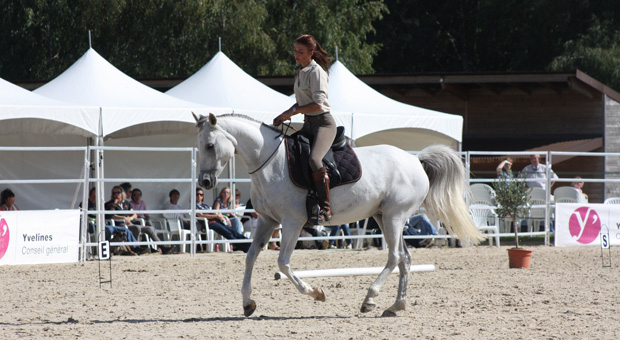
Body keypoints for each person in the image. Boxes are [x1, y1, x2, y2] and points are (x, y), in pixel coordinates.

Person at [273, 34, 335, 225]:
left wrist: (291, 113)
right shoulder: (301, 71)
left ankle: (326, 207)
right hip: (308, 124)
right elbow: (300, 104)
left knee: (314, 159)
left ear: (311, 52)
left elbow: (317, 105)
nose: (296, 54)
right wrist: (286, 113)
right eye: (295, 51)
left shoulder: (316, 72)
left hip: (324, 124)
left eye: (300, 51)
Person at [105, 185, 173, 254]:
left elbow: (135, 215)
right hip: (119, 224)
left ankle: (162, 247)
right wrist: (123, 217)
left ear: (122, 193)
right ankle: (136, 248)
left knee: (149, 228)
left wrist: (130, 218)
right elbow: (111, 215)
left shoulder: (126, 203)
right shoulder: (110, 204)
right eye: (114, 193)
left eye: (118, 192)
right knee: (136, 228)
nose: (116, 195)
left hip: (128, 223)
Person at [80, 187, 146, 255]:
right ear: (91, 194)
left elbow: (106, 215)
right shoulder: (85, 204)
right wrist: (95, 220)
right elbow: (85, 217)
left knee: (125, 230)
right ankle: (106, 250)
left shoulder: (100, 204)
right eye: (95, 193)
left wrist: (130, 218)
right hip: (92, 224)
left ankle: (136, 248)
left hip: (105, 224)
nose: (97, 194)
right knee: (108, 230)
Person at [196, 187, 250, 253]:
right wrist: (216, 215)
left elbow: (216, 212)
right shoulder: (195, 205)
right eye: (197, 194)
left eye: (201, 194)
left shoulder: (205, 205)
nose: (199, 196)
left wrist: (223, 216)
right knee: (228, 233)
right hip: (209, 223)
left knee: (232, 231)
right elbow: (201, 215)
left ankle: (248, 242)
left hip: (216, 220)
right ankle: (243, 247)